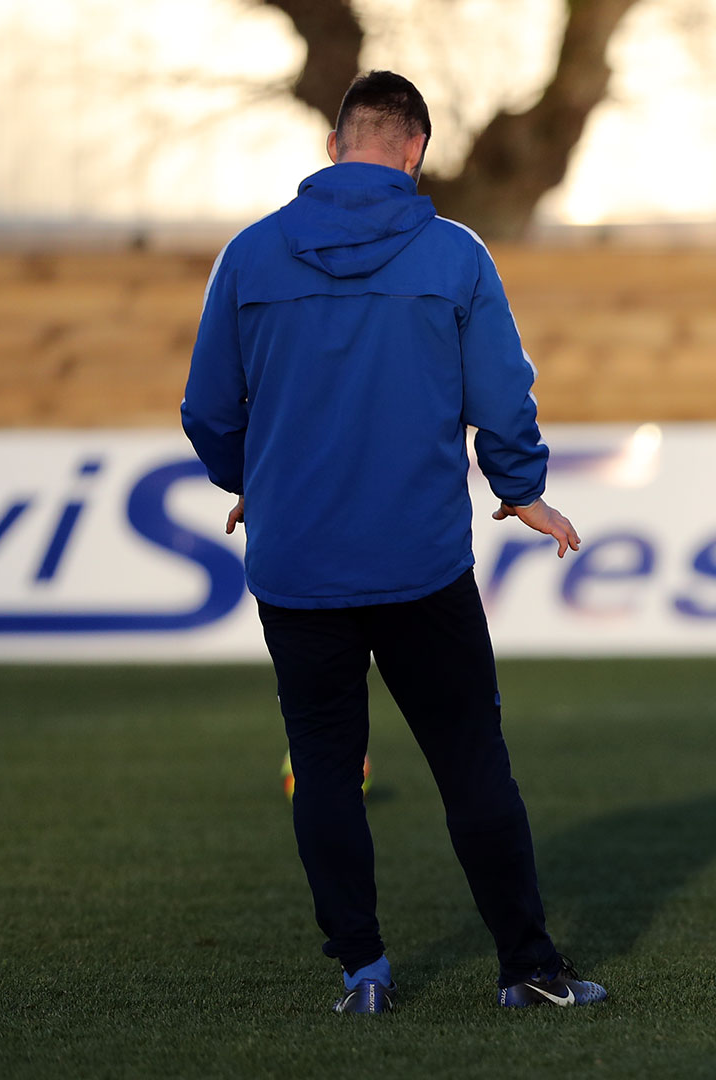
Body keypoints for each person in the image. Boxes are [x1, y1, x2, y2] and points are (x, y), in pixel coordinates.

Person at [180, 70, 604, 1013]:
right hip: (419, 566)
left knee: (326, 767)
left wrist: (256, 479)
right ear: (413, 153)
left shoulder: (248, 258)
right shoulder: (456, 256)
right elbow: (502, 395)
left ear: (335, 148)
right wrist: (521, 489)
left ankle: (363, 971)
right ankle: (528, 969)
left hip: (297, 569)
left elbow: (208, 410)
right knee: (470, 764)